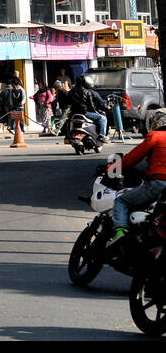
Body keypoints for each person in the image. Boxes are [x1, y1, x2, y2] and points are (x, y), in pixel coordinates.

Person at [106, 110, 166, 248]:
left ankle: (120, 231)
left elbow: (132, 158)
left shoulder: (155, 136)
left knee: (121, 201)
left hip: (158, 184)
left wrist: (112, 168)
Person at [65, 76, 107, 146]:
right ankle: (102, 136)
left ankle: (67, 136)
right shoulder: (87, 92)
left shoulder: (70, 92)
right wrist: (95, 111)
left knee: (67, 121)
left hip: (73, 114)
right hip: (85, 113)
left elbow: (68, 104)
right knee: (102, 118)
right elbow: (91, 105)